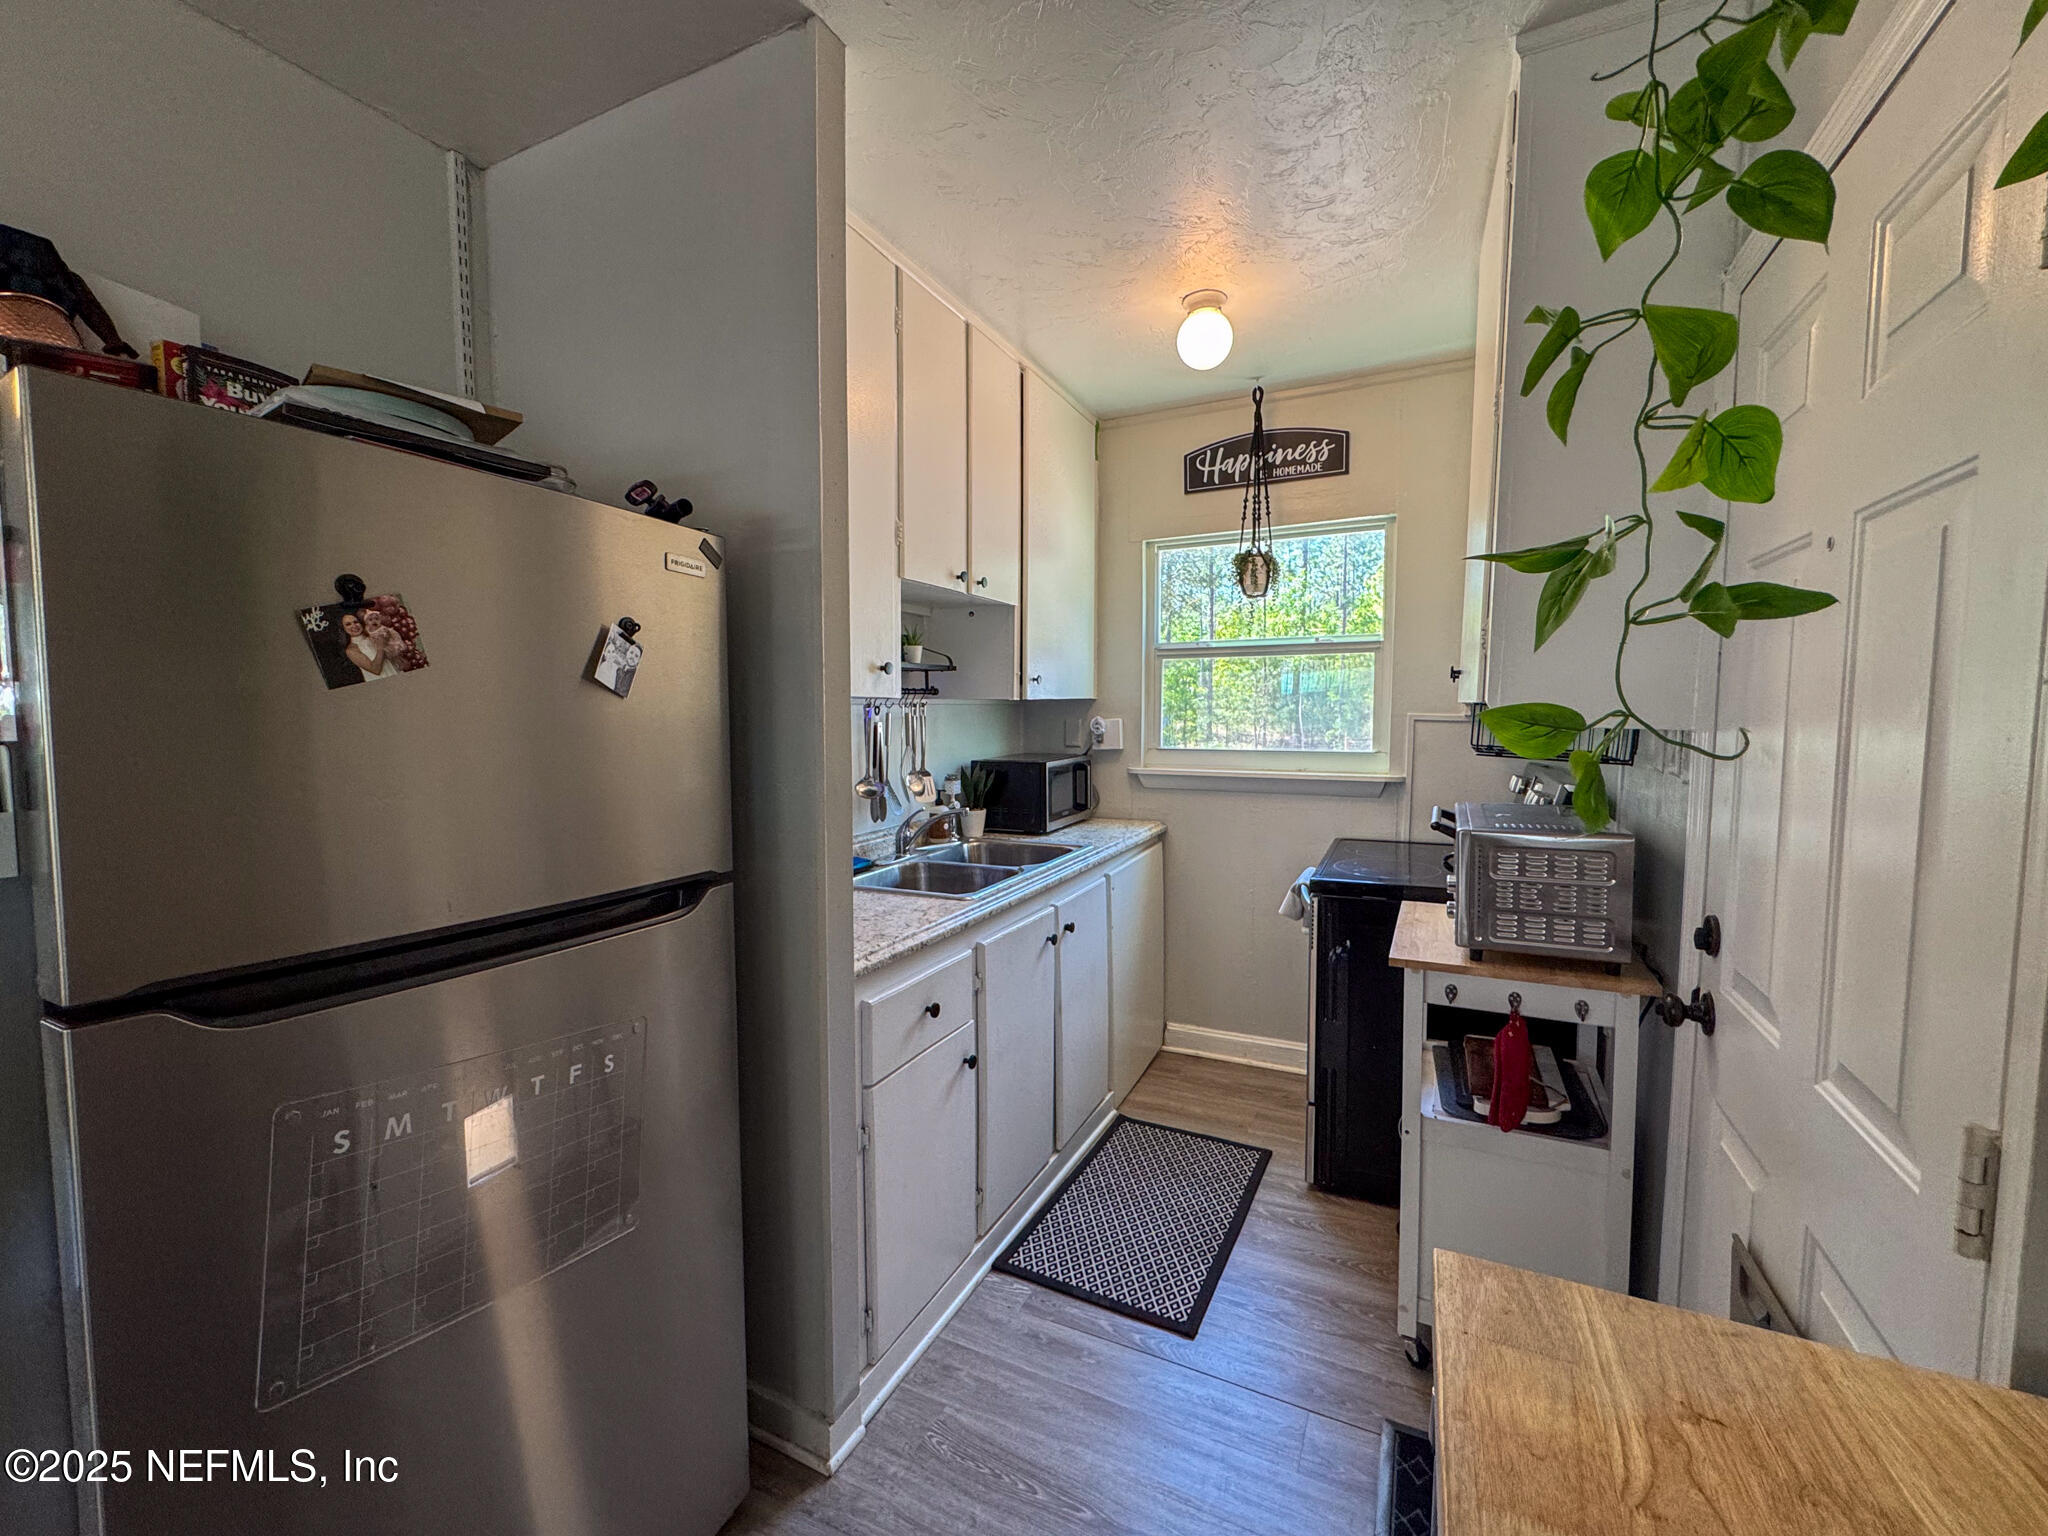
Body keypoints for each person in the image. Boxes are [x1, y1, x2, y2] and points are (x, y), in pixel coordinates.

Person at [340, 609, 398, 680]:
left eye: (356, 622)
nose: (354, 626)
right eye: (348, 624)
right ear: (343, 629)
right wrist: (380, 647)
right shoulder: (351, 650)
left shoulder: (374, 635)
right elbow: (376, 670)